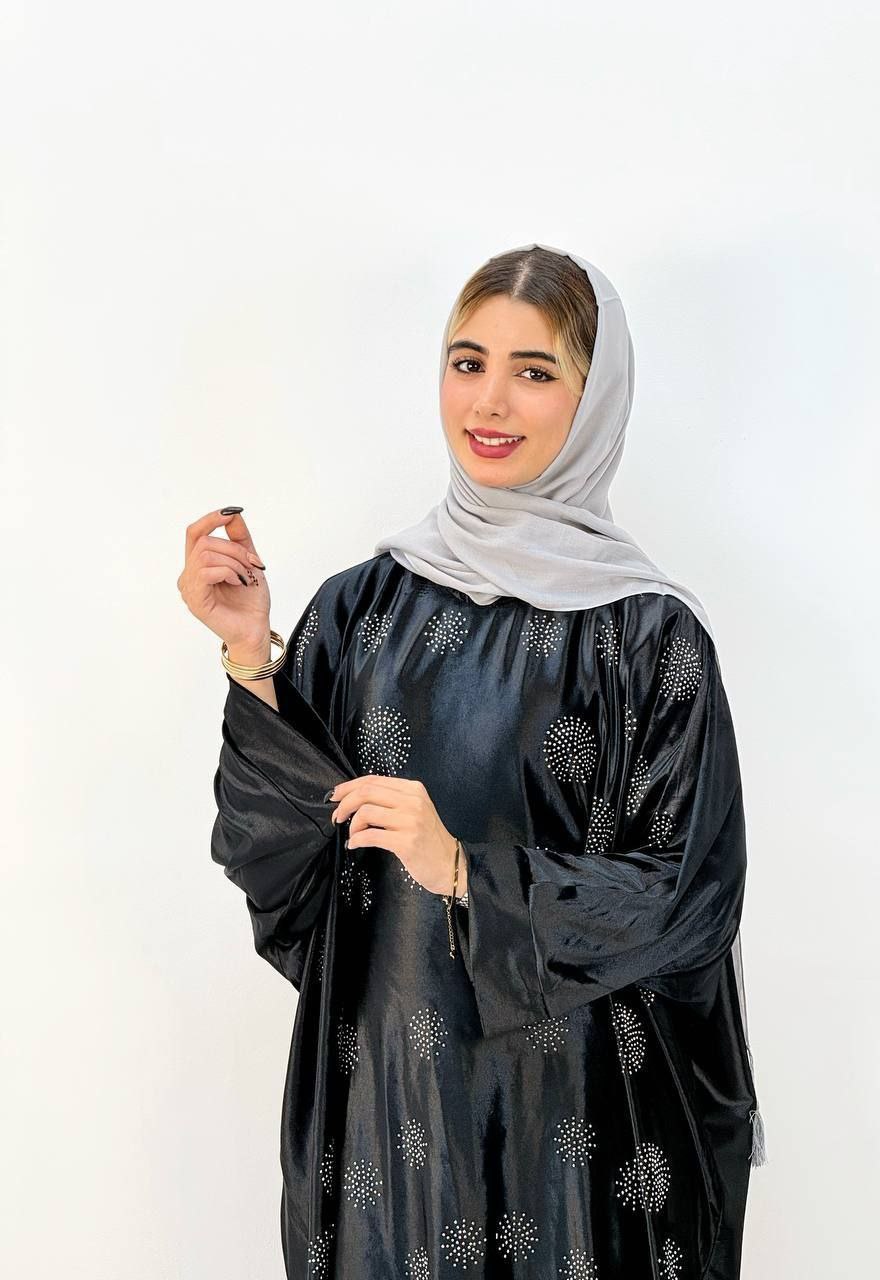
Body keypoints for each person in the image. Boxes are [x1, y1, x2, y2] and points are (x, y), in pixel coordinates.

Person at [179, 241, 766, 1279]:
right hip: (389, 1112)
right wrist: (250, 653)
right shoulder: (360, 609)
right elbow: (281, 861)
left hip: (583, 1130)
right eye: (467, 361)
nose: (490, 401)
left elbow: (689, 896)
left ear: (594, 398)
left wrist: (465, 870)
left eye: (534, 371)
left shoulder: (648, 636)